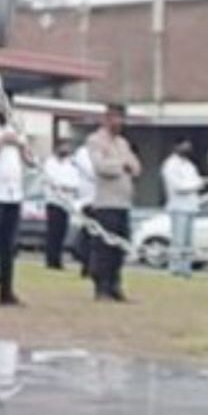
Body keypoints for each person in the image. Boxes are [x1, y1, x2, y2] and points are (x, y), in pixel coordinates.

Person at [82, 104, 141, 302]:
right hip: (106, 203)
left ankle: (115, 285)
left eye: (122, 118)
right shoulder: (96, 140)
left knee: (119, 247)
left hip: (123, 202)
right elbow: (101, 167)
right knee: (104, 248)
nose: (120, 123)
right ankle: (102, 287)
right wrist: (121, 164)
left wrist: (128, 165)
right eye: (116, 118)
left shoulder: (123, 143)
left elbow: (136, 166)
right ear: (107, 119)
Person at [0, 104, 27, 306]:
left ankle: (6, 290)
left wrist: (20, 144)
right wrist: (2, 140)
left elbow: (28, 158)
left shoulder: (17, 128)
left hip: (14, 195)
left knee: (9, 247)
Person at [41, 135, 87, 271]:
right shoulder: (50, 163)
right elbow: (51, 181)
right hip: (53, 201)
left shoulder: (71, 164)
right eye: (64, 146)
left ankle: (57, 260)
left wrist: (66, 187)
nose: (66, 149)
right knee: (53, 232)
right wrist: (62, 186)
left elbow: (75, 182)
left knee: (61, 232)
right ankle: (51, 260)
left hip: (66, 203)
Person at [159, 140, 204, 276]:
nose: (187, 148)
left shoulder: (189, 165)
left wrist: (195, 184)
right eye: (184, 145)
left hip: (191, 206)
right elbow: (178, 187)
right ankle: (175, 268)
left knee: (188, 241)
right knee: (178, 240)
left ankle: (186, 269)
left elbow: (197, 180)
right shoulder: (170, 165)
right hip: (178, 207)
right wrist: (195, 185)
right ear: (176, 146)